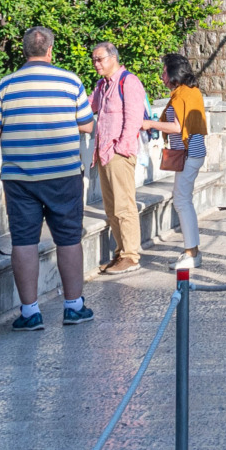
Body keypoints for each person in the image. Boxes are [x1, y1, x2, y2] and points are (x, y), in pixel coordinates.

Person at [0, 28, 99, 326]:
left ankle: (30, 312)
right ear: (50, 51)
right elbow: (88, 125)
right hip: (63, 174)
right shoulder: (70, 81)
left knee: (24, 241)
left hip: (20, 178)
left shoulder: (6, 84)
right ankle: (73, 307)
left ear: (24, 51)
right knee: (69, 239)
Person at [88, 41, 148, 275]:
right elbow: (88, 106)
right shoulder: (102, 85)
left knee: (124, 205)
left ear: (113, 58)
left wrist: (121, 149)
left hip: (118, 153)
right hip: (103, 153)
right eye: (94, 60)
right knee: (111, 207)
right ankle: (121, 253)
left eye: (100, 59)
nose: (96, 64)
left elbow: (133, 119)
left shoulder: (128, 82)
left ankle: (131, 256)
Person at [150, 53, 208, 266]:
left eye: (165, 72)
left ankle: (192, 253)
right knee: (183, 200)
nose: (162, 77)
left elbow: (177, 127)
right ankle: (192, 251)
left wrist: (150, 124)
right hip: (194, 152)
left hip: (189, 153)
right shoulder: (191, 91)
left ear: (174, 72)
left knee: (182, 201)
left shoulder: (181, 95)